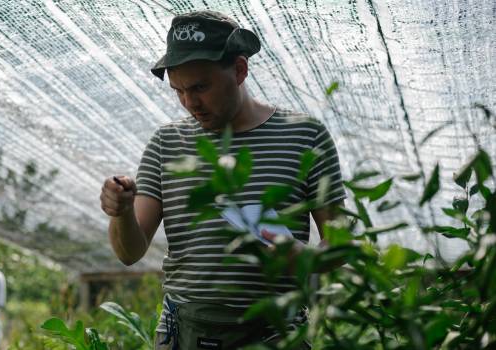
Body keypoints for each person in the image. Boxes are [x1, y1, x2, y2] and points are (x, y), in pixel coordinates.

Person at [100, 10, 346, 349]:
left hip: (275, 332)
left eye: (201, 87)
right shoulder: (166, 143)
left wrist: (304, 259)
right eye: (179, 91)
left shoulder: (305, 136)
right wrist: (122, 212)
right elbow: (130, 253)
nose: (190, 103)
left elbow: (341, 243)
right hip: (183, 331)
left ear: (240, 70)